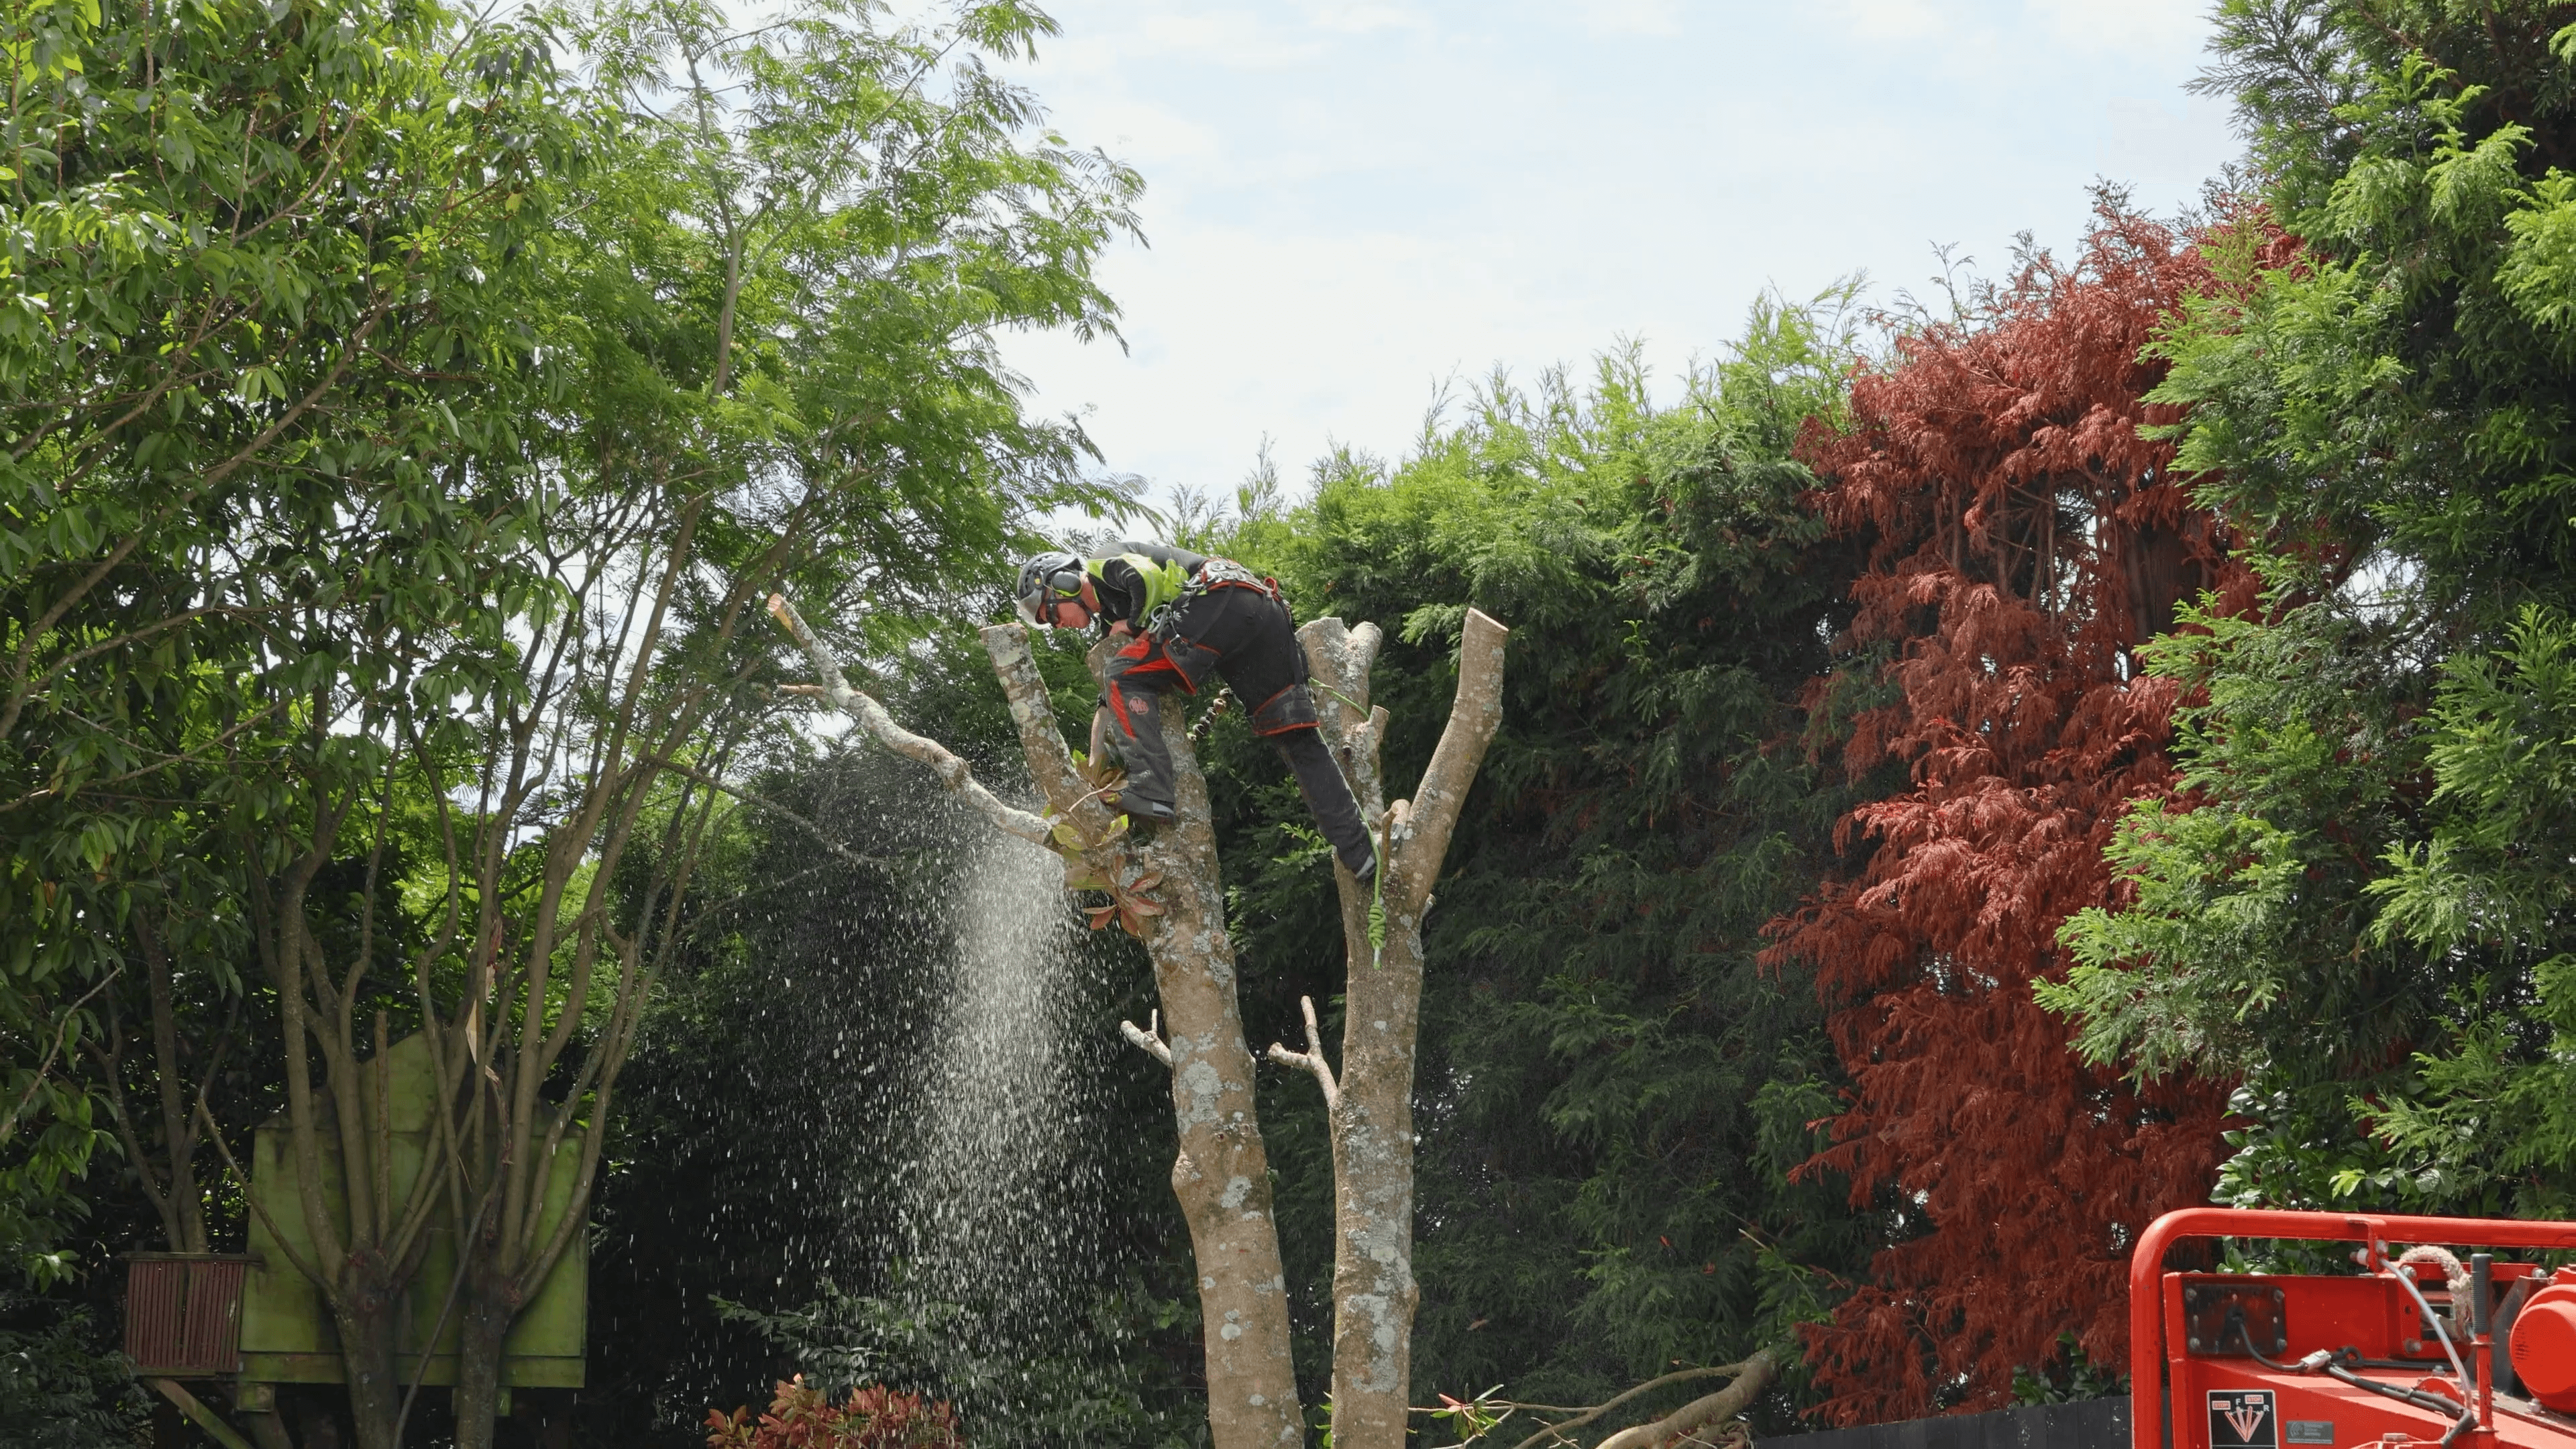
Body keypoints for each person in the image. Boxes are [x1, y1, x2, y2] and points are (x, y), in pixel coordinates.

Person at [1015, 541, 1376, 883]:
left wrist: (1137, 625)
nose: (1057, 625)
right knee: (1296, 740)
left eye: (1051, 613)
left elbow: (1143, 578)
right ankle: (1362, 854)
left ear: (1061, 583)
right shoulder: (1109, 615)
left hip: (1219, 598)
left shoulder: (1102, 563)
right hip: (1260, 614)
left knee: (1124, 674)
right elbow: (1110, 696)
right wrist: (1095, 759)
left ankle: (1152, 788)